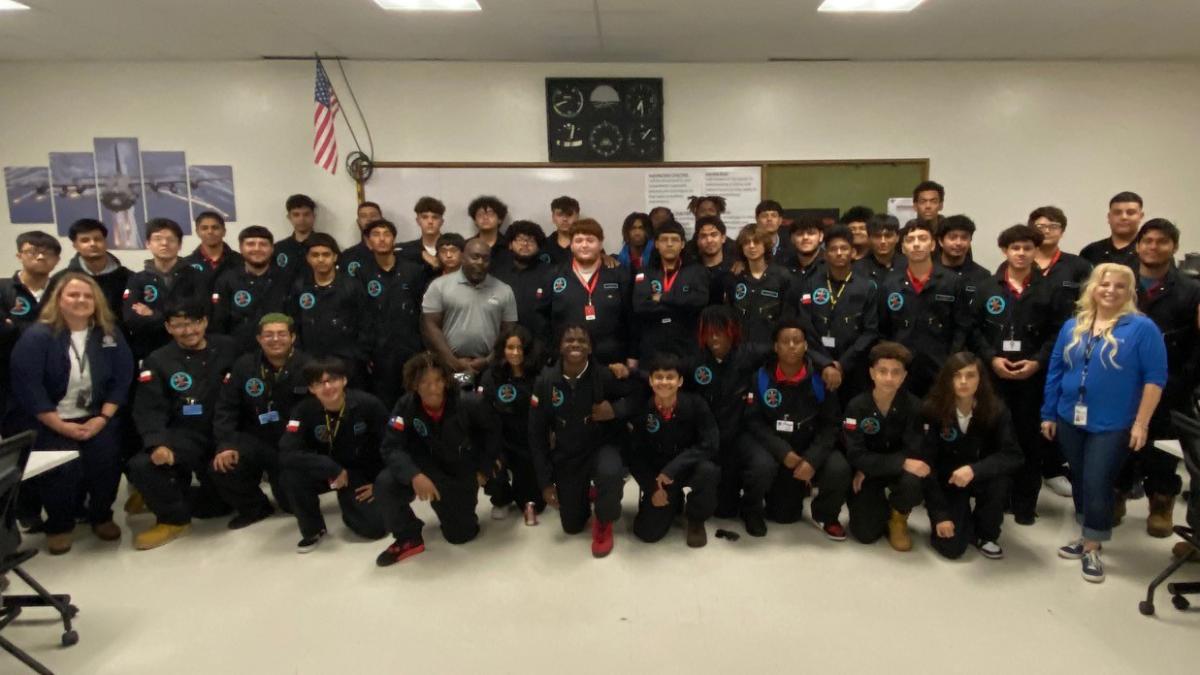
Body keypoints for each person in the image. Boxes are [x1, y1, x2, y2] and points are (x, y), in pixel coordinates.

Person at [1041, 263, 1167, 583]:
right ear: (1093, 288)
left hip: (1112, 422)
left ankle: (1094, 543)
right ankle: (1087, 534)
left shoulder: (1142, 329)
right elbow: (1056, 369)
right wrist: (1048, 412)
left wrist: (1141, 424)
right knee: (1081, 478)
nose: (1110, 291)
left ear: (1130, 292)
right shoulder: (1074, 326)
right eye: (1104, 284)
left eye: (1119, 286)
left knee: (1098, 480)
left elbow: (1155, 380)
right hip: (1069, 416)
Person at [8, 273, 133, 553]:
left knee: (106, 463)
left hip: (98, 416)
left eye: (88, 296)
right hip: (51, 419)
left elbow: (123, 376)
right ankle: (60, 524)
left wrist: (103, 418)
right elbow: (29, 386)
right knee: (61, 471)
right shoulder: (38, 336)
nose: (81, 300)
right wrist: (60, 426)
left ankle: (101, 516)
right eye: (73, 295)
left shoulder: (108, 332)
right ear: (59, 299)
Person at [970, 224, 1063, 525]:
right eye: (1015, 248)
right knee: (991, 436)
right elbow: (974, 330)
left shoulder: (1050, 290)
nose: (1021, 253)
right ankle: (991, 498)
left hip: (1031, 378)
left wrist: (1037, 362)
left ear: (1036, 251)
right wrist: (991, 358)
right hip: (993, 376)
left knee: (1027, 440)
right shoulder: (987, 287)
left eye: (1027, 248)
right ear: (1005, 251)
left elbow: (1057, 334)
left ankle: (1024, 504)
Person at [127, 300, 238, 550]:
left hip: (224, 432)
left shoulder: (228, 347)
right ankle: (173, 520)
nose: (188, 331)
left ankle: (159, 494)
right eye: (178, 326)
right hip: (185, 434)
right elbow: (148, 409)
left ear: (205, 322)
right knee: (143, 464)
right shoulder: (158, 360)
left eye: (193, 324)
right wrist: (157, 443)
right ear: (167, 327)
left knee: (219, 507)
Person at [1116, 219, 1200, 537]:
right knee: (1120, 443)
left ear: (1174, 247)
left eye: (1161, 241)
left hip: (1171, 385)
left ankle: (1161, 502)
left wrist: (1182, 382)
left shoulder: (1191, 291)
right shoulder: (1121, 283)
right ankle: (1117, 495)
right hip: (1122, 384)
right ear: (1138, 246)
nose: (1153, 247)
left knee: (1162, 450)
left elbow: (1196, 345)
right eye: (1147, 241)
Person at [374, 352, 498, 565]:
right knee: (385, 484)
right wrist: (414, 475)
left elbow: (492, 435)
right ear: (414, 384)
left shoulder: (467, 402)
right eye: (425, 382)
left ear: (446, 382)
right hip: (424, 469)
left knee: (461, 536)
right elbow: (391, 446)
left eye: (438, 381)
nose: (432, 388)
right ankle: (408, 537)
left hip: (458, 469)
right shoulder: (405, 406)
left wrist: (483, 471)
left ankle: (453, 510)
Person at [529, 325, 642, 557]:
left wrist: (615, 409)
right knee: (572, 527)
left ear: (590, 348)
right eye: (569, 340)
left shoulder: (604, 375)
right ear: (560, 346)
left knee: (610, 472)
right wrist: (546, 483)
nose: (576, 344)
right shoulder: (546, 382)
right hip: (568, 452)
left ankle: (604, 519)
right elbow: (536, 434)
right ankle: (587, 492)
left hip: (602, 445)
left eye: (582, 340)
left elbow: (638, 396)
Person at [744, 319, 850, 541]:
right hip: (777, 447)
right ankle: (752, 510)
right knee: (782, 515)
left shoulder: (821, 380)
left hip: (810, 445)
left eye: (797, 341)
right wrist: (783, 452)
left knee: (839, 468)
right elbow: (754, 422)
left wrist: (812, 459)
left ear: (806, 346)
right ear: (775, 347)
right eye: (785, 341)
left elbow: (831, 424)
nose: (791, 346)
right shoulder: (761, 377)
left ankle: (826, 515)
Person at [211, 314, 311, 529]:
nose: (275, 339)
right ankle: (255, 508)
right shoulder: (243, 367)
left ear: (293, 337)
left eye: (282, 334)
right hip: (256, 439)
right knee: (224, 465)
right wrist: (225, 445)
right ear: (259, 339)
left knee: (290, 504)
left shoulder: (308, 367)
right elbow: (226, 408)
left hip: (294, 443)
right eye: (268, 335)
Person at [279, 357, 388, 552]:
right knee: (291, 474)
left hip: (359, 473)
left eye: (333, 380)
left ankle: (351, 507)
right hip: (326, 470)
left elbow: (390, 446)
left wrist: (380, 483)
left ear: (344, 380)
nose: (327, 386)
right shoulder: (303, 411)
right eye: (319, 383)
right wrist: (331, 468)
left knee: (376, 529)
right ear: (311, 389)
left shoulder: (368, 404)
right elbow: (287, 451)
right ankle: (313, 530)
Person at [923, 352, 1022, 560]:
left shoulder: (997, 409)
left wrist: (974, 470)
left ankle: (987, 534)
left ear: (981, 379)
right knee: (951, 549)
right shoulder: (933, 410)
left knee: (1000, 480)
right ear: (947, 379)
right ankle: (962, 519)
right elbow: (927, 465)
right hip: (949, 480)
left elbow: (1013, 455)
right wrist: (940, 515)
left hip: (981, 476)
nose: (963, 382)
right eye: (956, 376)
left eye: (970, 376)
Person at [688, 306, 773, 530]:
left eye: (720, 331)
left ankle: (752, 508)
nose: (714, 337)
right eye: (709, 331)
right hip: (709, 438)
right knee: (723, 511)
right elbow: (664, 375)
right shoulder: (695, 361)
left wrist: (826, 366)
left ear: (732, 331)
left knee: (763, 465)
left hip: (741, 434)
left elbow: (786, 350)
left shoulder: (750, 353)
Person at [1027, 206, 1092, 498]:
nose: (1045, 230)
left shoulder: (1077, 266)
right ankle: (1027, 470)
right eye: (1039, 225)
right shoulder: (1019, 261)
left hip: (1066, 347)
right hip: (1025, 351)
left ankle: (1052, 468)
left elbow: (1088, 306)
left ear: (1062, 230)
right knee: (1028, 411)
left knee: (1055, 407)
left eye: (1052, 226)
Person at [630, 353, 721, 547]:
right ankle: (673, 501)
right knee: (647, 533)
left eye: (670, 377)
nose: (664, 382)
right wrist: (652, 488)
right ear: (651, 381)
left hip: (687, 467)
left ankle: (696, 519)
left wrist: (673, 467)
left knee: (709, 471)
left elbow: (711, 443)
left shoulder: (696, 404)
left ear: (680, 381)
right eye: (659, 377)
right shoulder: (643, 409)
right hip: (658, 477)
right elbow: (635, 455)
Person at [843, 342, 926, 551]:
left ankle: (898, 517)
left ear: (904, 376)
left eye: (895, 372)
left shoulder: (915, 407)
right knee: (865, 534)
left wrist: (876, 464)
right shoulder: (856, 406)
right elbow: (855, 453)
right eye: (882, 371)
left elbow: (913, 451)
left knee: (914, 478)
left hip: (893, 470)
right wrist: (869, 466)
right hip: (869, 472)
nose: (889, 378)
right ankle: (879, 507)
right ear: (872, 373)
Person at [876, 220, 972, 397]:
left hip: (940, 366)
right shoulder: (889, 284)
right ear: (903, 247)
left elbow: (962, 327)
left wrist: (951, 359)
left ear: (933, 245)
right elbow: (883, 328)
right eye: (910, 240)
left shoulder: (952, 282)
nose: (917, 244)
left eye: (922, 238)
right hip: (901, 368)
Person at [794, 225, 878, 402]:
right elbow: (805, 326)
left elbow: (871, 331)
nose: (839, 253)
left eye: (844, 248)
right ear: (825, 254)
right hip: (816, 366)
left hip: (853, 367)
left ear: (853, 252)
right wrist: (825, 364)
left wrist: (841, 365)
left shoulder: (867, 287)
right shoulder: (811, 285)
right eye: (833, 249)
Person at [354, 219, 430, 409]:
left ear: (394, 239)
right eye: (376, 235)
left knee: (415, 399)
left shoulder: (412, 270)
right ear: (368, 241)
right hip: (378, 352)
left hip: (410, 347)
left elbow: (423, 311)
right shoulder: (360, 274)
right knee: (384, 403)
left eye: (386, 234)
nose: (381, 239)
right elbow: (359, 314)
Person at [544, 218, 635, 375]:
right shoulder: (554, 275)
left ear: (600, 244)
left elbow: (632, 318)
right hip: (566, 360)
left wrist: (632, 355)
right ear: (571, 245)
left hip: (612, 360)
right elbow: (543, 317)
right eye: (578, 240)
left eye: (590, 240)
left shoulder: (619, 275)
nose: (584, 245)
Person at [421, 238, 517, 381]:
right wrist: (454, 362)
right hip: (449, 366)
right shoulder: (439, 286)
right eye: (475, 257)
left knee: (484, 403)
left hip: (490, 369)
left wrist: (487, 361)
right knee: (454, 402)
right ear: (463, 257)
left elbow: (509, 331)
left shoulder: (504, 290)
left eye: (485, 258)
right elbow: (430, 326)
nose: (480, 262)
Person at [478, 326, 544, 524]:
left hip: (528, 440)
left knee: (535, 504)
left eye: (520, 348)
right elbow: (482, 413)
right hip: (500, 440)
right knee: (492, 469)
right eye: (510, 347)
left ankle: (526, 496)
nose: (515, 353)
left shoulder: (539, 375)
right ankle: (502, 499)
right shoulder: (491, 376)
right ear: (502, 349)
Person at [287, 233, 369, 384]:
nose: (320, 259)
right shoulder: (300, 287)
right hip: (310, 360)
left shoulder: (352, 286)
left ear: (335, 257)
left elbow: (365, 323)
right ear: (308, 258)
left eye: (326, 254)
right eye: (315, 255)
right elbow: (294, 323)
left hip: (347, 361)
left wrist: (358, 354)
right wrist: (300, 355)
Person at [122, 218, 205, 361]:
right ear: (148, 244)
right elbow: (131, 319)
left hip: (190, 351)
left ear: (179, 245)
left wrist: (151, 314)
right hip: (150, 352)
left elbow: (200, 315)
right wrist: (177, 321)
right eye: (158, 239)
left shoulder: (195, 277)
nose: (164, 243)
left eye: (170, 239)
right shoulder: (137, 279)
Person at [1, 230, 61, 419]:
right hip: (10, 380)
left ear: (57, 260)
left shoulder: (63, 290)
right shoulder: (3, 289)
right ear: (19, 255)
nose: (41, 257)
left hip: (56, 377)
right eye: (33, 251)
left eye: (48, 253)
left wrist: (14, 325)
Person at [631, 220, 708, 363]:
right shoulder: (645, 273)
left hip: (686, 344)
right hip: (653, 344)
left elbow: (699, 301)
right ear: (656, 244)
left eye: (674, 240)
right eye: (664, 240)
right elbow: (640, 306)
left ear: (683, 244)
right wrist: (681, 304)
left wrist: (660, 297)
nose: (670, 244)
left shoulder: (696, 271)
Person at [210, 226, 289, 352]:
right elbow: (219, 324)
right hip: (238, 354)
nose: (257, 249)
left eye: (263, 244)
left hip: (280, 352)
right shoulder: (226, 280)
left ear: (272, 249)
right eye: (250, 244)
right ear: (241, 248)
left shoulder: (286, 280)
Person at [46, 218, 131, 330]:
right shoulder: (60, 279)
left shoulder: (128, 277)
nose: (92, 244)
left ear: (106, 242)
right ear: (75, 246)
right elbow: (49, 316)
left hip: (117, 341)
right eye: (85, 240)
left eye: (97, 239)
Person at [724, 222, 793, 348]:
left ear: (765, 245)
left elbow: (788, 317)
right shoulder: (734, 278)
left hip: (772, 348)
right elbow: (730, 315)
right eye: (746, 243)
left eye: (756, 242)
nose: (751, 246)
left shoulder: (782, 276)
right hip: (741, 348)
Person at [490, 220, 552, 349]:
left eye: (530, 240)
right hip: (501, 344)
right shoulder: (497, 273)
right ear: (510, 244)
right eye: (519, 239)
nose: (525, 244)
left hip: (539, 344)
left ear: (538, 246)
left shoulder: (551, 273)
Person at [182, 211, 242, 294]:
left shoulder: (240, 261)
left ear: (224, 231)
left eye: (215, 227)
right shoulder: (186, 264)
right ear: (197, 232)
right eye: (204, 228)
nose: (210, 231)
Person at [1079, 191, 1143, 269]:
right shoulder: (1091, 252)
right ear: (1109, 217)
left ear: (1141, 216)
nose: (1124, 217)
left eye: (1130, 213)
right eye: (1117, 213)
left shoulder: (1150, 251)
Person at [936, 215, 989, 305]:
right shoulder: (929, 272)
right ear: (941, 241)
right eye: (952, 238)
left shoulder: (982, 275)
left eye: (964, 238)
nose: (958, 243)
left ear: (970, 241)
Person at [852, 214, 906, 289]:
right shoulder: (857, 269)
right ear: (869, 238)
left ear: (897, 238)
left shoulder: (908, 266)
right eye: (877, 236)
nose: (883, 241)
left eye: (888, 236)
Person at [274, 194, 319, 282]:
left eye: (306, 214)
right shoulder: (279, 248)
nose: (301, 219)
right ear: (289, 217)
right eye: (296, 215)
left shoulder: (325, 245)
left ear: (313, 216)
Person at [689, 215, 733, 304]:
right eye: (703, 236)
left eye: (714, 234)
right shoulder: (690, 272)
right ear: (697, 240)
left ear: (723, 238)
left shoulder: (733, 269)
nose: (709, 240)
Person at [398, 196, 446, 271]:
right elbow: (391, 251)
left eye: (435, 217)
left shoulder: (454, 246)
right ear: (418, 221)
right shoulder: (408, 248)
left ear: (442, 222)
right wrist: (420, 254)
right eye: (425, 217)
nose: (430, 222)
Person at [339, 201, 385, 277]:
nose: (369, 219)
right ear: (358, 222)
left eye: (373, 215)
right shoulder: (347, 256)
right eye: (363, 216)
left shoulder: (393, 253)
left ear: (382, 219)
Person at [782, 218, 825, 284]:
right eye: (800, 234)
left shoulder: (832, 265)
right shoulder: (782, 267)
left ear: (821, 236)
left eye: (811, 233)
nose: (805, 237)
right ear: (792, 238)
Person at [545, 195, 580, 265]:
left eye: (569, 215)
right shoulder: (543, 245)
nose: (565, 219)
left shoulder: (588, 244)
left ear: (577, 217)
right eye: (560, 215)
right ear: (553, 217)